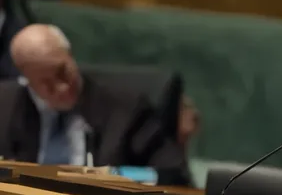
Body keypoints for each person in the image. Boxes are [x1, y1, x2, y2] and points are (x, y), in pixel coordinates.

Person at [0, 24, 190, 186]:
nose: (61, 87)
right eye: (47, 84)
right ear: (28, 80)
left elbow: (173, 173)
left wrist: (116, 175)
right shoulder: (6, 105)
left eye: (62, 72)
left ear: (71, 56)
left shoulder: (126, 107)